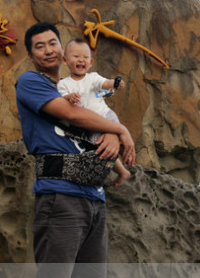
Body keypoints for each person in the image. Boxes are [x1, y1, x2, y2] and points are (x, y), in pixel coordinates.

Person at [15, 22, 136, 277]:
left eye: (52, 43)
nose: (47, 50)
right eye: (39, 46)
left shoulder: (80, 87)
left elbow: (98, 117)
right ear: (30, 55)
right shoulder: (30, 81)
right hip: (60, 197)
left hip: (95, 197)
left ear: (61, 50)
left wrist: (112, 133)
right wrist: (121, 131)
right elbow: (71, 114)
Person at [57, 37, 131, 188]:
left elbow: (104, 84)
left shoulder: (93, 77)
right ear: (65, 60)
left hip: (105, 116)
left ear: (90, 63)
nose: (81, 60)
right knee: (102, 147)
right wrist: (69, 97)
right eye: (76, 57)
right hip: (89, 124)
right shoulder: (64, 83)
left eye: (85, 57)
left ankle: (125, 161)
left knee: (112, 144)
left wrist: (114, 83)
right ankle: (122, 171)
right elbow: (61, 99)